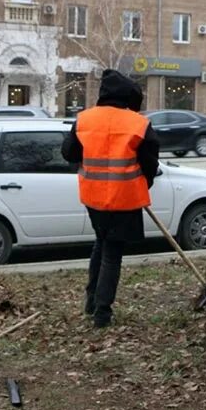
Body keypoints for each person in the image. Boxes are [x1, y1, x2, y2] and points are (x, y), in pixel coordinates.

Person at [62, 69, 160, 328]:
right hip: (124, 199)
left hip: (92, 198)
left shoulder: (84, 120)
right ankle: (102, 314)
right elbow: (151, 162)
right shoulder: (137, 123)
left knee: (101, 243)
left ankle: (91, 301)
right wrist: (144, 182)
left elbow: (69, 153)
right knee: (112, 253)